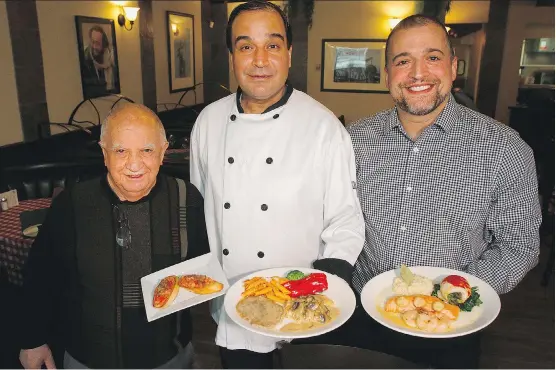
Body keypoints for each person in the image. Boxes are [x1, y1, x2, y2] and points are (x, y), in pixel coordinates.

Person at [335, 14, 541, 369]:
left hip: (451, 328)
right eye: (403, 61)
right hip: (360, 320)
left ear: (453, 66)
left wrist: (452, 292)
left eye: (432, 57)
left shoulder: (505, 149)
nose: (417, 73)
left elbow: (519, 246)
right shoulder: (353, 141)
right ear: (387, 74)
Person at [189, 0, 365, 368]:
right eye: (245, 46)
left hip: (301, 314)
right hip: (234, 304)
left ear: (288, 53)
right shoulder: (207, 123)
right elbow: (198, 205)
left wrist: (323, 292)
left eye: (272, 45)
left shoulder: (323, 126)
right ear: (232, 56)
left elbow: (345, 219)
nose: (259, 60)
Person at [18, 104, 210, 369]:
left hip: (169, 358)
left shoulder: (186, 198)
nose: (134, 164)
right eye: (121, 151)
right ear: (104, 153)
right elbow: (40, 276)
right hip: (88, 360)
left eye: (146, 150)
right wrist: (32, 340)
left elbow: (204, 271)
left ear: (163, 151)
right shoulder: (72, 205)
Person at [81, 25, 117, 98]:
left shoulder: (110, 57)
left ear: (103, 43)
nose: (94, 46)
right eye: (92, 42)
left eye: (97, 43)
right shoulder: (86, 59)